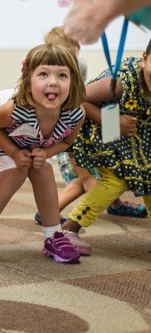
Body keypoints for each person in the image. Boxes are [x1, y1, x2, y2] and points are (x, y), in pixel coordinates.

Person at [0, 43, 86, 264]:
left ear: (73, 82)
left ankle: (53, 236)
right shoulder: (15, 108)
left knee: (43, 169)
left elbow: (67, 141)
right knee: (15, 172)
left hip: (36, 140)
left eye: (62, 76)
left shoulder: (75, 113)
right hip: (1, 131)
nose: (53, 82)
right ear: (28, 82)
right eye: (43, 74)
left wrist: (45, 153)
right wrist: (13, 152)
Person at [36, 27, 147, 225]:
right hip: (74, 131)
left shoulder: (81, 66)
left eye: (72, 53)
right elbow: (79, 102)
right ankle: (48, 213)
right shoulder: (124, 81)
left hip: (102, 124)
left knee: (112, 172)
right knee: (83, 182)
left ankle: (116, 204)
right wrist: (85, 175)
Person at [60, 38, 151, 256]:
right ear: (144, 59)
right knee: (115, 181)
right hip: (99, 128)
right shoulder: (122, 81)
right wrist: (114, 123)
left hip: (133, 135)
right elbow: (78, 98)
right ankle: (68, 230)